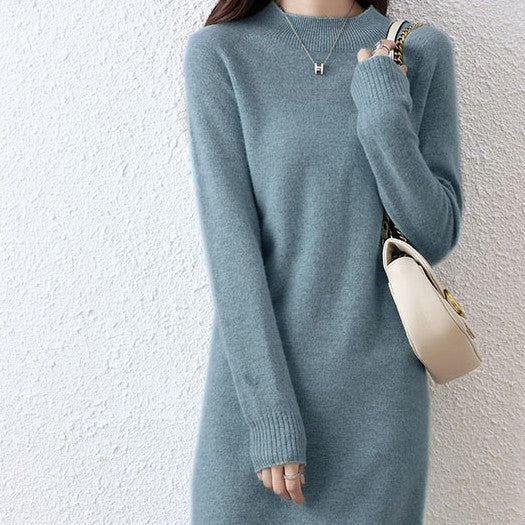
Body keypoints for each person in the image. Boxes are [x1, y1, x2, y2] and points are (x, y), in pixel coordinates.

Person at [182, 0, 463, 523]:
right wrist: (270, 418)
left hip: (379, 417)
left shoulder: (417, 51)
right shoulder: (221, 53)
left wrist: (383, 115)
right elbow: (231, 253)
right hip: (254, 405)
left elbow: (436, 234)